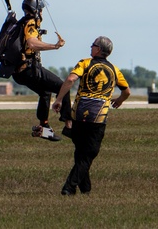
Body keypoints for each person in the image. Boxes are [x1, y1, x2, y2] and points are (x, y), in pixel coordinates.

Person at [52, 35, 130, 196]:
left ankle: (85, 188)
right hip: (98, 116)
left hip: (79, 113)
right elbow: (126, 91)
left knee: (81, 151)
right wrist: (120, 101)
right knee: (90, 152)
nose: (90, 47)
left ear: (99, 49)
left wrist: (59, 99)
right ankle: (69, 187)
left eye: (93, 45)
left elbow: (71, 79)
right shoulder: (114, 70)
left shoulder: (85, 63)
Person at [11, 0, 70, 141]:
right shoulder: (30, 23)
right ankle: (69, 124)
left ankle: (44, 128)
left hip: (19, 72)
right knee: (63, 87)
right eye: (41, 10)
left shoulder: (20, 23)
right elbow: (32, 43)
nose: (42, 13)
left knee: (45, 92)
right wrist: (54, 46)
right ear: (35, 11)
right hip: (29, 70)